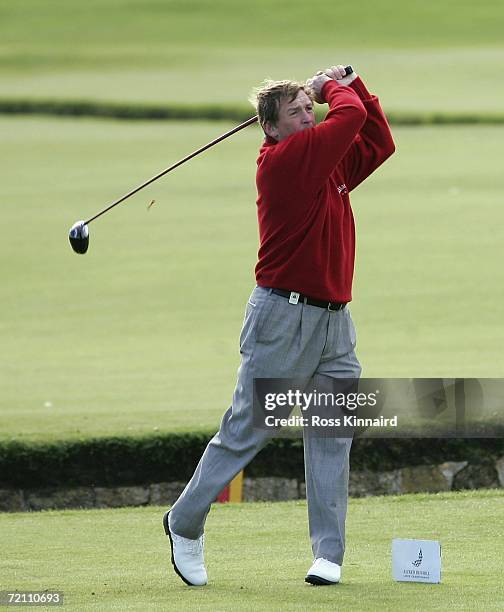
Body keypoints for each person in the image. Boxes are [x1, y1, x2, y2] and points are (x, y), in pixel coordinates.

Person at [163, 64, 395, 586]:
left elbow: (377, 140)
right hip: (282, 317)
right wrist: (331, 86)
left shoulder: (324, 161)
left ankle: (327, 555)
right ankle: (183, 520)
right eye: (296, 111)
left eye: (308, 106)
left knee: (332, 433)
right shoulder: (288, 159)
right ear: (270, 128)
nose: (308, 111)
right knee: (250, 428)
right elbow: (350, 115)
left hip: (336, 321)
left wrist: (352, 83)